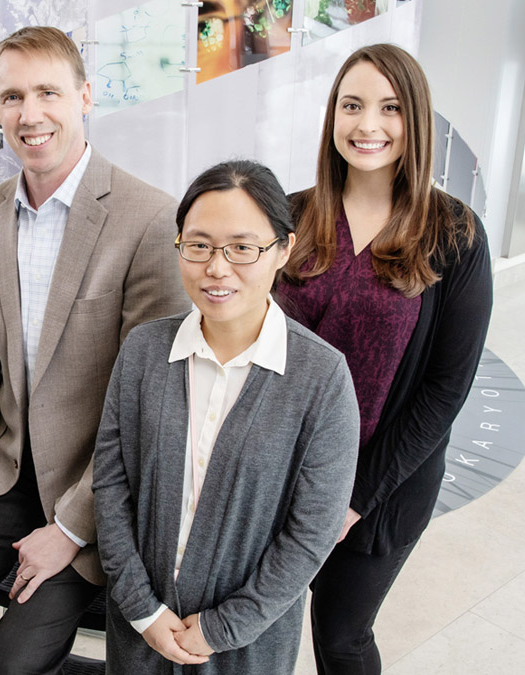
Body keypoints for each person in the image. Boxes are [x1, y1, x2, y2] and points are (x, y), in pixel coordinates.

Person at [0, 26, 193, 673]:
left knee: (18, 658)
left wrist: (72, 528)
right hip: (0, 475)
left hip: (94, 487)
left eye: (48, 92)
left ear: (85, 96)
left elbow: (151, 403)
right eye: (12, 97)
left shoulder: (147, 219)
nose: (30, 114)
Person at [275, 43, 493, 674]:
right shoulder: (291, 214)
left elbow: (445, 393)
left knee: (341, 638)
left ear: (415, 119)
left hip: (382, 489)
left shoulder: (454, 233)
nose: (367, 125)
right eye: (352, 105)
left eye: (389, 108)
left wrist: (352, 499)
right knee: (259, 621)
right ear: (332, 116)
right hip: (281, 470)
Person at [93, 159, 360, 673]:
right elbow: (111, 484)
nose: (217, 268)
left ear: (283, 249)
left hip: (246, 648)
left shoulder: (322, 378)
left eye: (242, 247)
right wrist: (141, 608)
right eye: (198, 245)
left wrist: (223, 628)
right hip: (140, 633)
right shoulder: (144, 351)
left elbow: (313, 532)